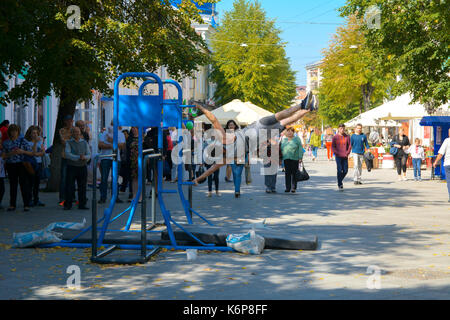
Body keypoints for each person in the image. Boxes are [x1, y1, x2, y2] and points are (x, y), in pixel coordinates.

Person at [192, 91, 315, 186]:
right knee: (284, 117)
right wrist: (200, 107)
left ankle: (308, 107)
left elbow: (210, 171)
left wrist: (197, 179)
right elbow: (213, 118)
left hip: (261, 130)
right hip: (260, 128)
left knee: (284, 118)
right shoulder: (223, 144)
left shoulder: (225, 153)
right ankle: (305, 106)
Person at [2, 124, 33, 211]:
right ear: (9, 132)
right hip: (11, 165)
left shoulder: (22, 141)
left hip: (21, 164)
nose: (14, 133)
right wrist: (10, 154)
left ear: (18, 132)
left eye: (15, 131)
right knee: (13, 185)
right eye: (12, 131)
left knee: (24, 184)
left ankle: (26, 204)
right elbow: (3, 156)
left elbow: (31, 152)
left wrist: (22, 151)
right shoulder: (6, 142)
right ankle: (12, 204)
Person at [98, 122, 126, 204]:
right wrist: (112, 145)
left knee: (115, 178)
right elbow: (100, 144)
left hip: (116, 158)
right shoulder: (104, 133)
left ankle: (115, 197)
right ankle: (103, 197)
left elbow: (122, 146)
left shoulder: (121, 134)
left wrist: (111, 141)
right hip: (105, 157)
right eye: (112, 124)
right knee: (104, 178)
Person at [64, 127, 90, 210]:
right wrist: (78, 157)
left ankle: (82, 204)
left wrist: (85, 157)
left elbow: (89, 154)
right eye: (74, 132)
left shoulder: (84, 142)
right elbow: (67, 154)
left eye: (78, 132)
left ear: (80, 133)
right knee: (69, 186)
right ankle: (68, 204)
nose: (77, 134)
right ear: (72, 133)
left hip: (82, 167)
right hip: (72, 166)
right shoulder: (68, 142)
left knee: (82, 186)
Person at [24, 126, 46, 207]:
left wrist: (37, 153)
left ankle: (36, 199)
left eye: (36, 133)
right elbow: (32, 152)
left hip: (39, 163)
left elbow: (43, 152)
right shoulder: (26, 142)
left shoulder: (40, 141)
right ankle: (29, 200)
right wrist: (36, 144)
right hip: (30, 164)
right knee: (30, 183)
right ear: (29, 133)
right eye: (33, 133)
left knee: (37, 183)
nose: (35, 135)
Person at [280, 127, 303, 193]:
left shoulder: (297, 139)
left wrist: (300, 157)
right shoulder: (284, 140)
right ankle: (287, 187)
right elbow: (281, 149)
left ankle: (293, 187)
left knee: (294, 173)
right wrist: (281, 158)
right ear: (286, 132)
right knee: (287, 173)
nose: (289, 132)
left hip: (295, 158)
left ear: (293, 132)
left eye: (291, 131)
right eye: (288, 131)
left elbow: (300, 148)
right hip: (286, 158)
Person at [59, 114, 74, 204]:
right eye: (68, 121)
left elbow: (78, 140)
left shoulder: (75, 130)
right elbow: (64, 142)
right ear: (65, 121)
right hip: (65, 156)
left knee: (72, 178)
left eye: (71, 121)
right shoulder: (62, 130)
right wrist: (72, 141)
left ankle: (72, 196)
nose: (69, 122)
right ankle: (62, 197)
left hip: (73, 157)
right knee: (64, 178)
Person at [332, 124, 351, 191]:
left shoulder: (347, 136)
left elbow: (349, 146)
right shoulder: (335, 137)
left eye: (343, 128)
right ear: (338, 129)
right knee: (339, 170)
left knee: (345, 170)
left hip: (345, 156)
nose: (342, 130)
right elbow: (333, 146)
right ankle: (340, 184)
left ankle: (339, 180)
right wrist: (336, 152)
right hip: (338, 156)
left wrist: (347, 153)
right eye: (341, 128)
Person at [433, 129, 450, 202]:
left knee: (449, 181)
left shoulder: (447, 141)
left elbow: (441, 153)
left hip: (448, 164)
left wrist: (436, 161)